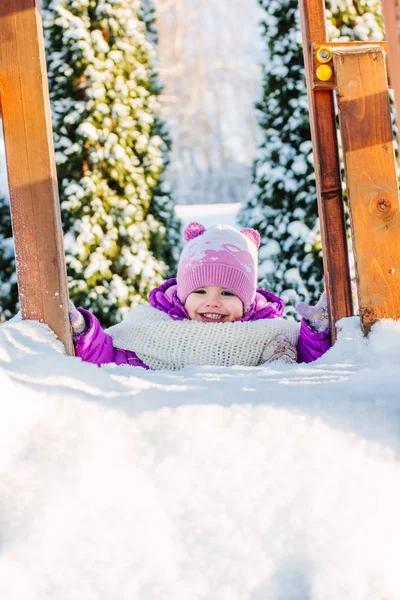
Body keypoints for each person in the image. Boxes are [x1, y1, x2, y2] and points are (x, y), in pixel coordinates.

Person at [69, 222, 330, 370]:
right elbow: (110, 359)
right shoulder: (150, 329)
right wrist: (84, 333)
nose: (213, 301)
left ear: (248, 301)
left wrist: (316, 332)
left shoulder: (273, 334)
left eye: (228, 292)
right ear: (183, 295)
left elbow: (310, 363)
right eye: (200, 291)